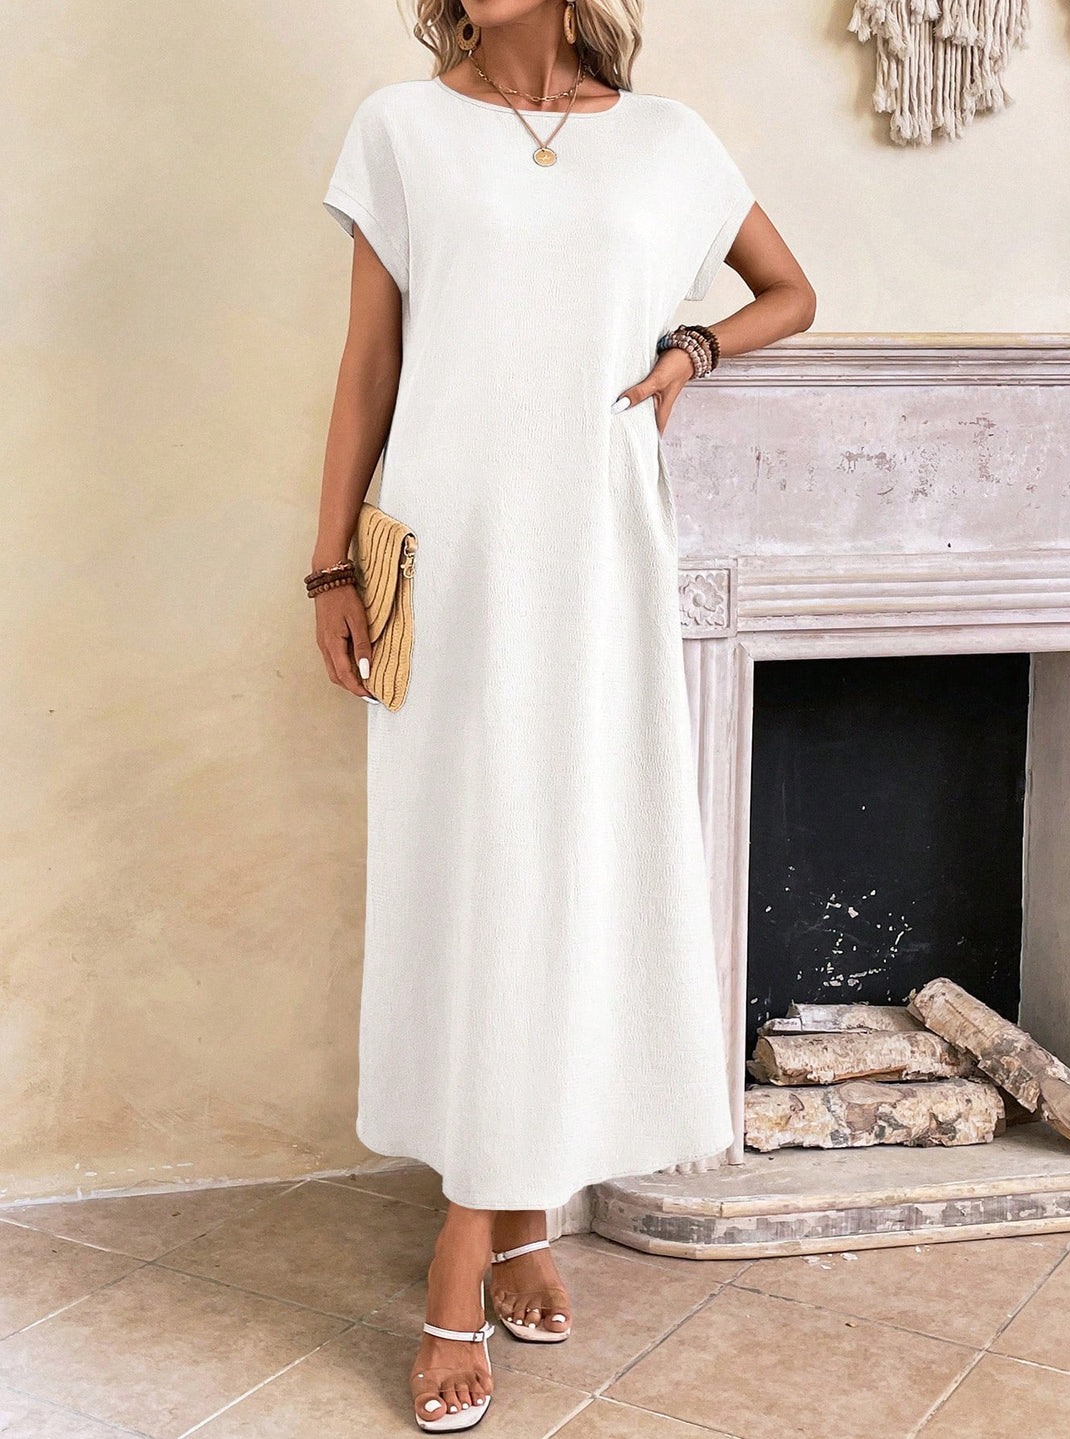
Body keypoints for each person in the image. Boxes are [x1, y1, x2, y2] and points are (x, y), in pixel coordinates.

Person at [311, 2, 815, 1430]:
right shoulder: (402, 127)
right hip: (453, 555)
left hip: (597, 561)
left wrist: (691, 352)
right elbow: (368, 364)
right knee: (477, 874)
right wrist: (329, 564)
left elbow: (790, 292)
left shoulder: (667, 142)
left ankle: (492, 1221)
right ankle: (493, 1223)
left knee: (569, 868)